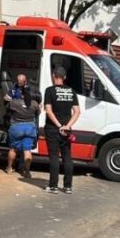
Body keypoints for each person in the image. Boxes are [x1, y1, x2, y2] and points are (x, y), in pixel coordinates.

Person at [43, 66, 80, 194]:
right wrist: (67, 126)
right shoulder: (71, 91)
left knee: (54, 157)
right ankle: (68, 186)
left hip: (53, 128)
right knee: (67, 157)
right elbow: (77, 112)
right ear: (64, 77)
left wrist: (59, 126)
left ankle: (53, 186)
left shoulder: (49, 91)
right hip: (67, 129)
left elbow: (48, 111)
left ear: (54, 76)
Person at [5, 88, 40, 178]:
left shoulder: (14, 102)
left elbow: (7, 109)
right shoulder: (34, 103)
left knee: (13, 149)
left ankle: (9, 168)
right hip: (29, 128)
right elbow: (37, 114)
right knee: (27, 150)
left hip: (16, 128)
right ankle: (27, 171)